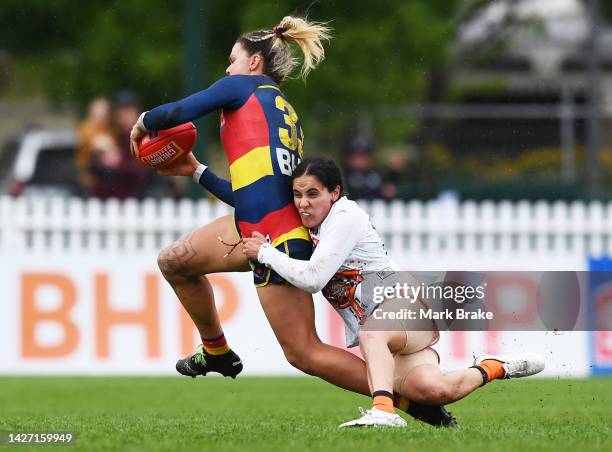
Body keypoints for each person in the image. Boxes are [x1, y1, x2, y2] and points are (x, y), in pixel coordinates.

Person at [130, 16, 456, 427]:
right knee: (175, 260)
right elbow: (254, 193)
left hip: (274, 236)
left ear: (253, 63)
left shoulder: (242, 86)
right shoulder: (283, 111)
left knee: (304, 352)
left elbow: (176, 112)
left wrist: (143, 123)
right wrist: (198, 172)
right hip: (257, 224)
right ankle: (216, 351)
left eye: (232, 60)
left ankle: (405, 400)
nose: (226, 70)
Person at [242, 156, 545, 428]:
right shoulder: (311, 223)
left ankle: (384, 410)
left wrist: (266, 253)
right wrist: (199, 172)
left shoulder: (346, 215)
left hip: (405, 306)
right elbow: (243, 196)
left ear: (335, 193)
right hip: (387, 331)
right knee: (433, 391)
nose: (303, 203)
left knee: (372, 333)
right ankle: (495, 367)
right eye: (297, 194)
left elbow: (313, 279)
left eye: (312, 193)